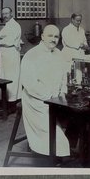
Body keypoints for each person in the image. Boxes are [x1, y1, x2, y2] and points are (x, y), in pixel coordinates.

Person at [19, 24, 71, 157]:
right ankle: (54, 159)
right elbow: (30, 85)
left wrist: (62, 92)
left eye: (56, 36)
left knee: (78, 119)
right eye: (50, 36)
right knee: (57, 140)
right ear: (42, 36)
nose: (53, 39)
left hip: (56, 100)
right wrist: (50, 97)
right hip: (37, 102)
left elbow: (64, 77)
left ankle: (65, 151)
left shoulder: (59, 53)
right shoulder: (31, 55)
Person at [0, 7, 22, 104]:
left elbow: (8, 42)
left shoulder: (15, 25)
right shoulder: (7, 25)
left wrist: (1, 40)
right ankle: (5, 99)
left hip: (11, 54)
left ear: (11, 14)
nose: (5, 16)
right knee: (4, 75)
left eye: (7, 13)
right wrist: (1, 39)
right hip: (5, 54)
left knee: (11, 76)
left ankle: (12, 101)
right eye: (3, 14)